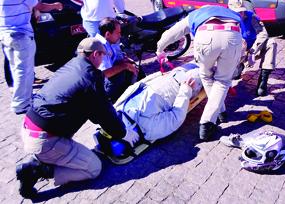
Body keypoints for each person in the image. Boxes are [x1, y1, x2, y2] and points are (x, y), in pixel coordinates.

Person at [16, 37, 135, 199]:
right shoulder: (89, 79)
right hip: (45, 140)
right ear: (95, 54)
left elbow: (98, 78)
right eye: (103, 56)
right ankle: (37, 170)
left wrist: (121, 67)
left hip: (29, 126)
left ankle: (47, 158)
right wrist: (121, 132)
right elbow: (105, 115)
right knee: (94, 168)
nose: (103, 60)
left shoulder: (73, 65)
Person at [156, 6, 242, 141]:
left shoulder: (196, 14)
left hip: (205, 37)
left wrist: (160, 49)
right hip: (233, 35)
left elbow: (172, 33)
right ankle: (211, 119)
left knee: (206, 76)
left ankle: (219, 113)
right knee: (223, 81)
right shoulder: (230, 13)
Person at [94, 62, 202, 164]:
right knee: (210, 67)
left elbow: (136, 86)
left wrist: (158, 75)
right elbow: (176, 116)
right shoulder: (148, 129)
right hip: (184, 83)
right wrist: (185, 91)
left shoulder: (118, 109)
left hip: (170, 76)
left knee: (200, 59)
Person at [0, 0, 60, 114]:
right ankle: (21, 105)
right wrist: (55, 5)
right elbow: (39, 6)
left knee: (15, 68)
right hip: (21, 35)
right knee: (24, 71)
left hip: (5, 36)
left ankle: (20, 97)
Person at [227, 0, 277, 96]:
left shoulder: (251, 16)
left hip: (253, 49)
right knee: (233, 74)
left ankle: (263, 81)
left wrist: (253, 51)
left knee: (271, 43)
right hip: (236, 52)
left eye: (241, 11)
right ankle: (238, 68)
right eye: (236, 12)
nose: (240, 14)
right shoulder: (226, 19)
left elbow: (263, 34)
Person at [95, 17, 138, 101]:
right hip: (100, 86)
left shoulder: (107, 42)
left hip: (105, 81)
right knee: (122, 73)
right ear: (107, 34)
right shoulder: (100, 47)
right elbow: (105, 73)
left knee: (132, 67)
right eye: (118, 33)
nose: (120, 35)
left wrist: (125, 62)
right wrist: (125, 66)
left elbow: (114, 60)